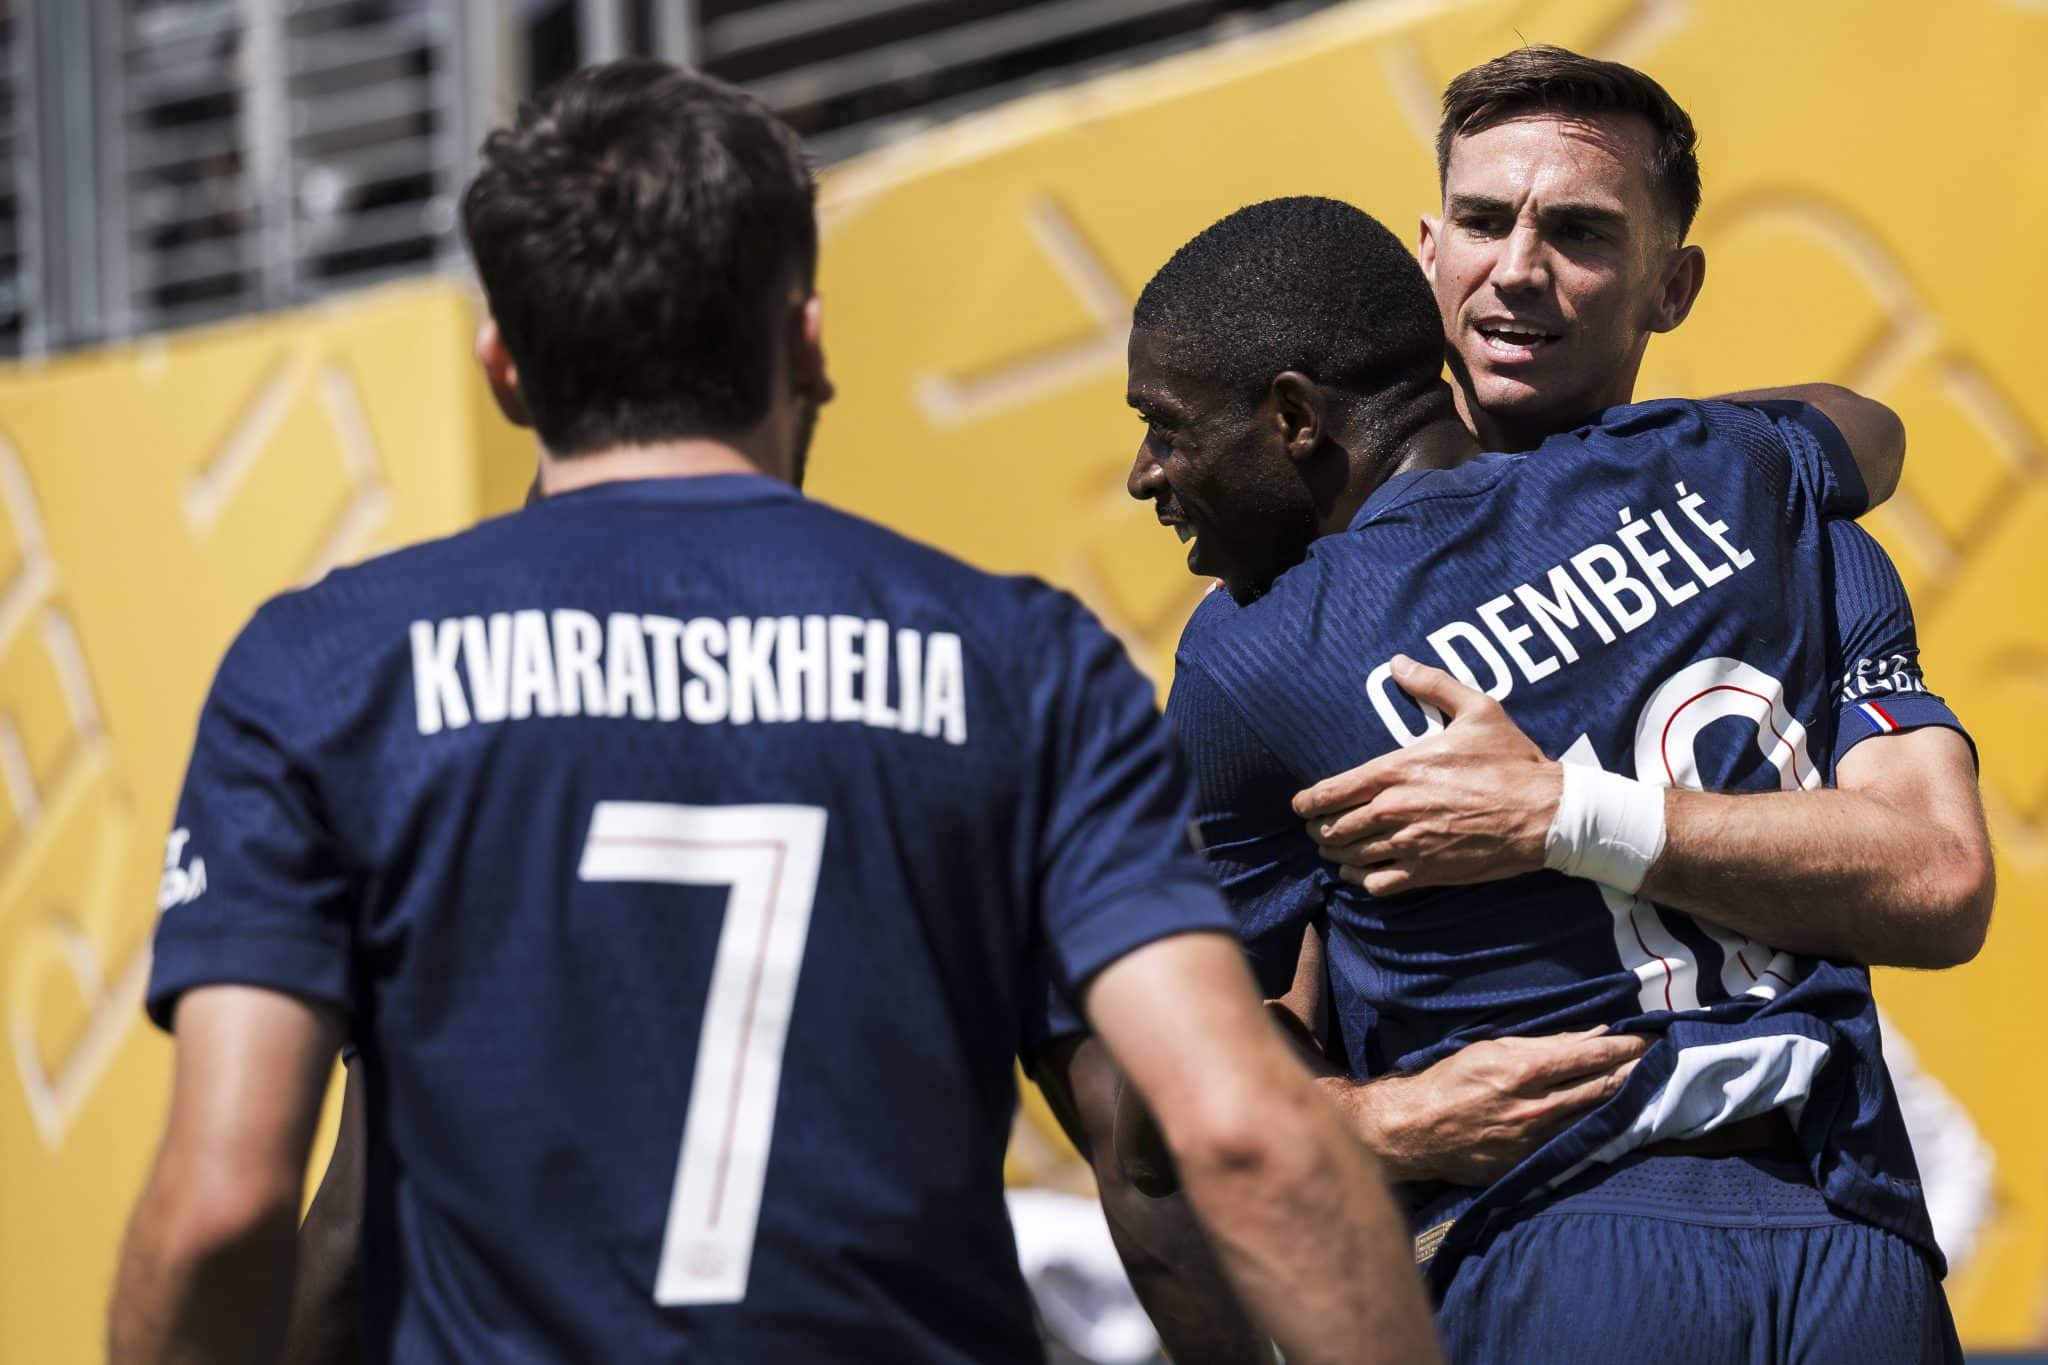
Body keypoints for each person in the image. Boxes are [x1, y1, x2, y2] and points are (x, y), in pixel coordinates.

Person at [108, 63, 1439, 1365]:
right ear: (806, 342)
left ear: (505, 368)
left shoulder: (326, 671)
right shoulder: (1019, 663)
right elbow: (1235, 1135)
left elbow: (232, 1210)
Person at [1043, 48, 1990, 1365]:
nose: (1519, 271)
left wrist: (1562, 811)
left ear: (1675, 283)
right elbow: (1860, 429)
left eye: (1582, 233)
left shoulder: (1273, 643)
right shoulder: (1769, 493)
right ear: (1427, 251)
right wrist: (1384, 1126)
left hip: (1608, 1248)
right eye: (1485, 222)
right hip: (1820, 1249)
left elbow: (1943, 875)